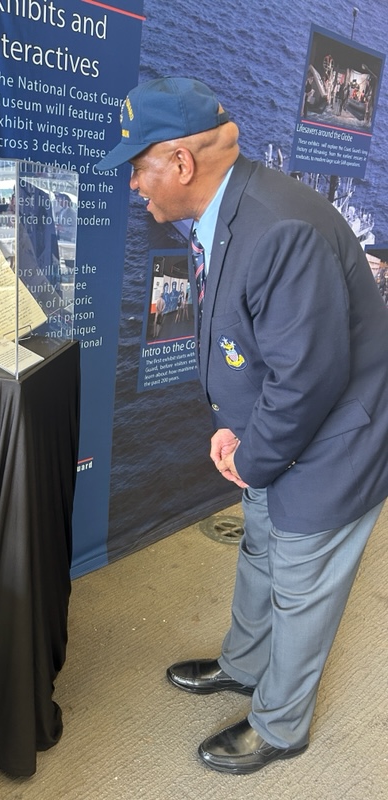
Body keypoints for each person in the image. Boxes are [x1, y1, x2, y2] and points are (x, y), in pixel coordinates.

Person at [95, 77, 388, 775]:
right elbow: (266, 349)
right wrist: (239, 433)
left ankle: (281, 724)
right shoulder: (231, 211)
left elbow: (310, 381)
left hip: (334, 441)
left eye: (139, 167)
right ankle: (244, 664)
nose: (136, 185)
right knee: (259, 552)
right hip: (276, 429)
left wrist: (255, 450)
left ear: (181, 164)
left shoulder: (279, 229)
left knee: (299, 583)